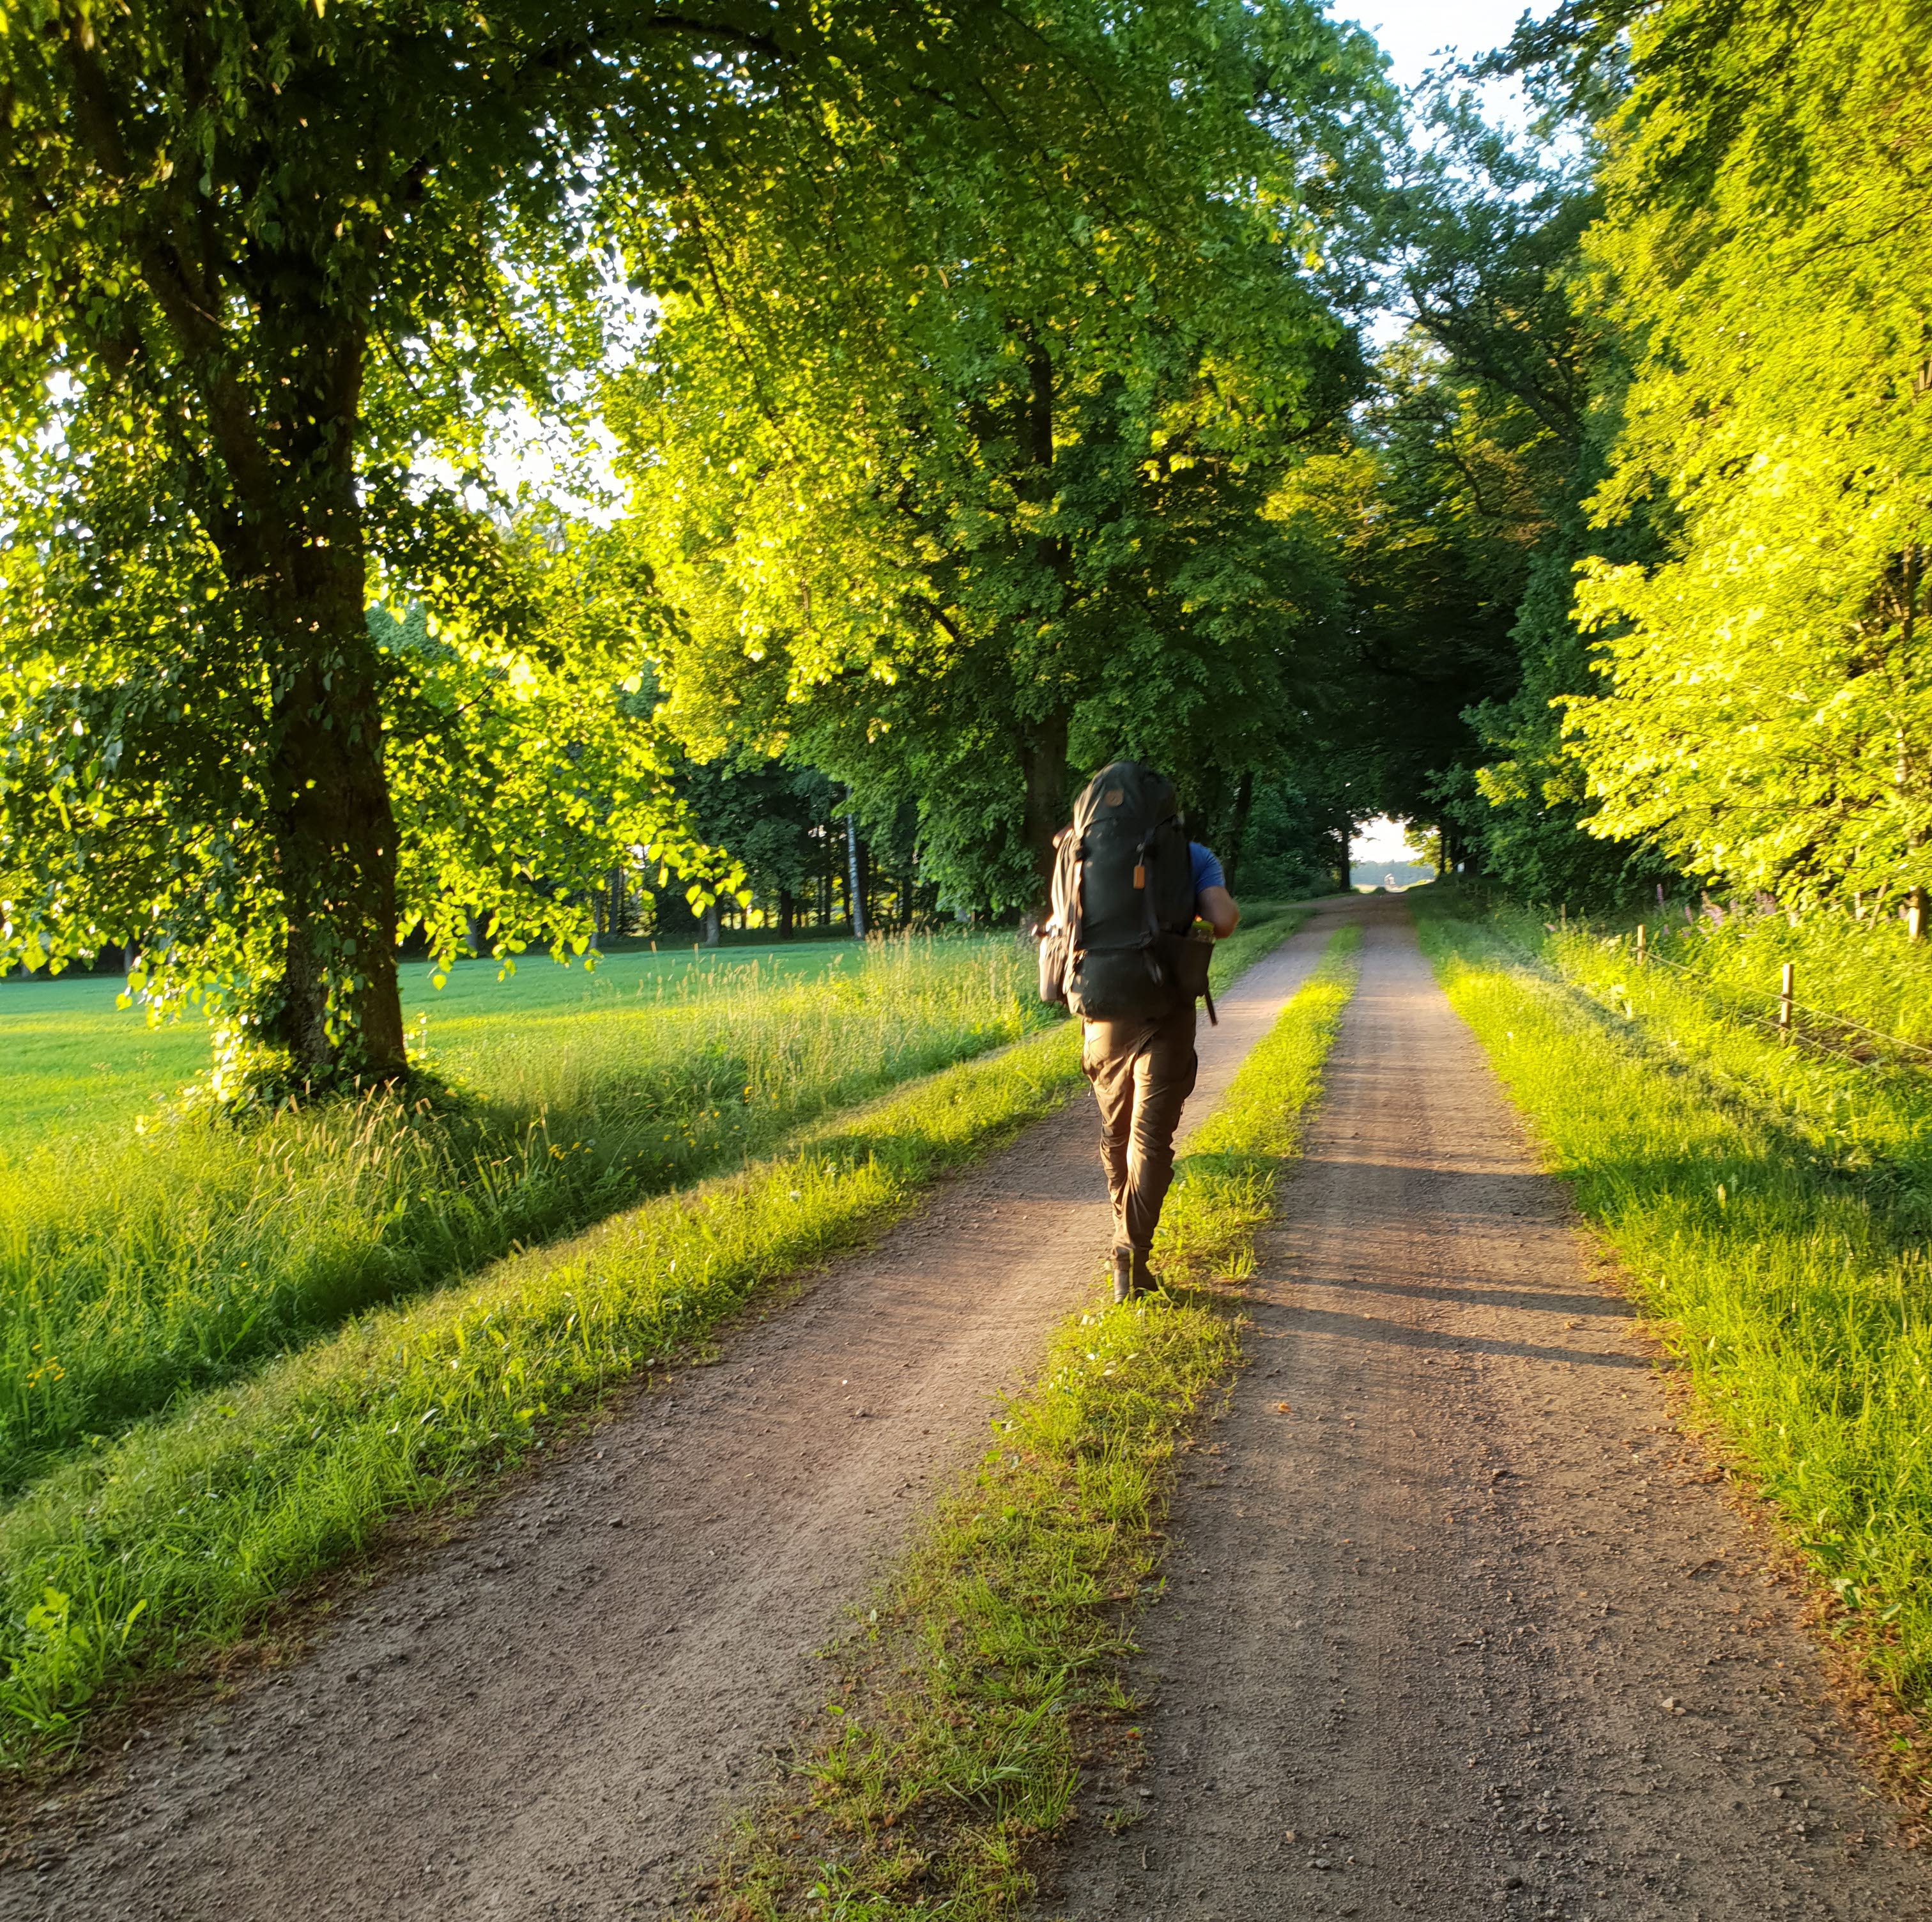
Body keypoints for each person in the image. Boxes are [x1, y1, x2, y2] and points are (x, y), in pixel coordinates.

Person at [1082, 836, 1239, 1303]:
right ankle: (1131, 1253)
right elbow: (1224, 920)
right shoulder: (1191, 855)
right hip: (1166, 1005)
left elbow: (1062, 922)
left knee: (1115, 1133)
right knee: (1149, 1138)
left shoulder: (1080, 850)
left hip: (1102, 1010)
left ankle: (1124, 1240)